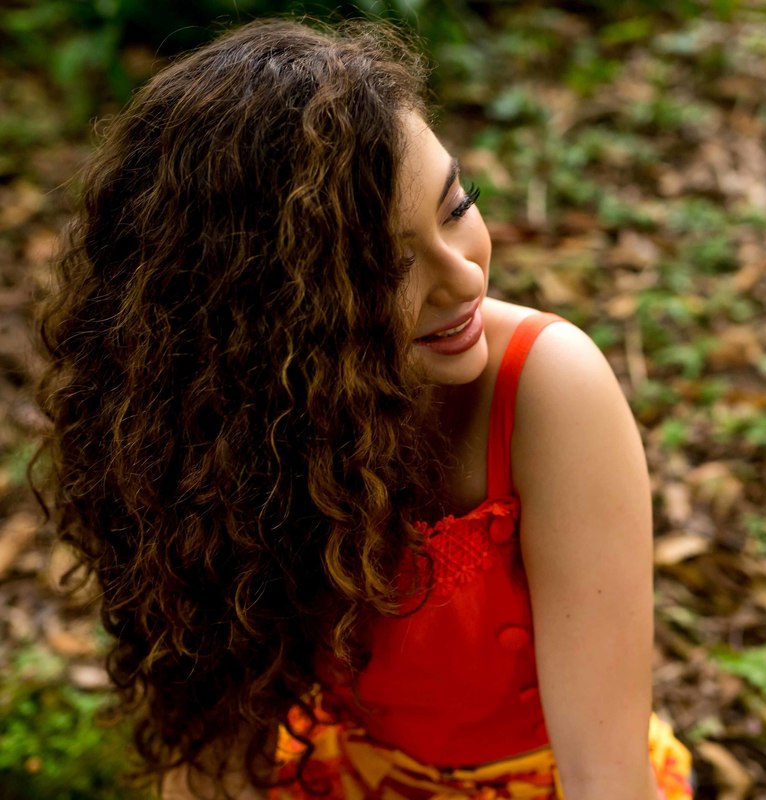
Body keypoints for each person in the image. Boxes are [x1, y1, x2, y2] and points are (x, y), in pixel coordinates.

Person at [32, 17, 693, 800]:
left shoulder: (548, 389)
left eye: (457, 207)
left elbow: (605, 779)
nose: (464, 279)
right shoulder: (228, 437)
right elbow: (214, 756)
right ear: (262, 312)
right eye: (388, 264)